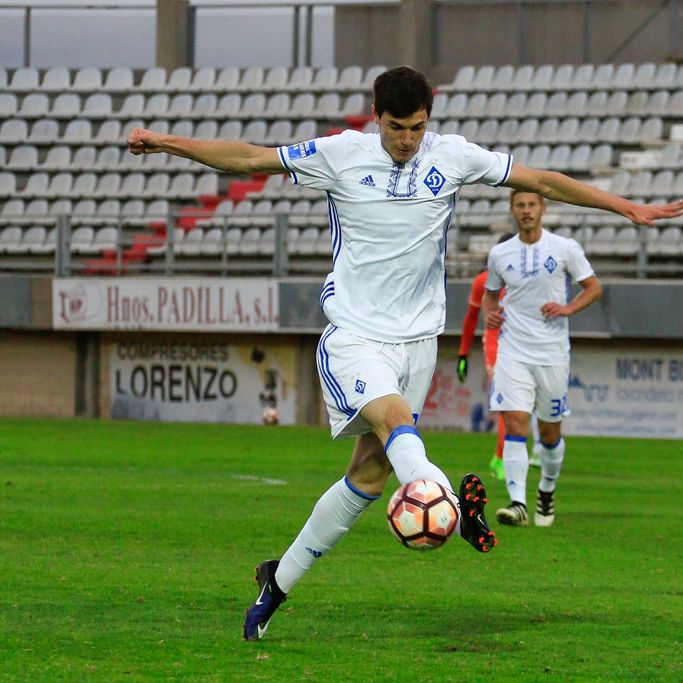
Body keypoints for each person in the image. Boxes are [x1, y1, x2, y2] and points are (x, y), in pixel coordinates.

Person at [127, 66, 683, 640]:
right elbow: (249, 159)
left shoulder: (453, 156)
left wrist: (627, 208)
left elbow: (542, 179)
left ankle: (277, 580)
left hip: (418, 345)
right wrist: (166, 142)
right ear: (376, 116)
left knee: (369, 477)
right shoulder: (340, 154)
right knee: (395, 423)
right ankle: (451, 504)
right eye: (396, 128)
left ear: (429, 120)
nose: (407, 141)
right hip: (356, 337)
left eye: (417, 128)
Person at [482, 190, 601, 528]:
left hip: (551, 353)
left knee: (549, 434)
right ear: (512, 210)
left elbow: (593, 288)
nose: (526, 210)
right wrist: (490, 316)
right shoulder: (499, 254)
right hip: (513, 350)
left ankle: (546, 491)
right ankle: (517, 503)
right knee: (515, 422)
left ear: (543, 209)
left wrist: (568, 308)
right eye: (520, 205)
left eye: (532, 204)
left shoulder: (564, 248)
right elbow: (490, 297)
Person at [457, 233, 513, 481]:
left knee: (522, 405)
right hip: (495, 343)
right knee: (507, 402)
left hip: (525, 344)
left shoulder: (529, 279)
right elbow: (471, 318)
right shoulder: (483, 282)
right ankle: (500, 458)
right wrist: (463, 354)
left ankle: (530, 453)